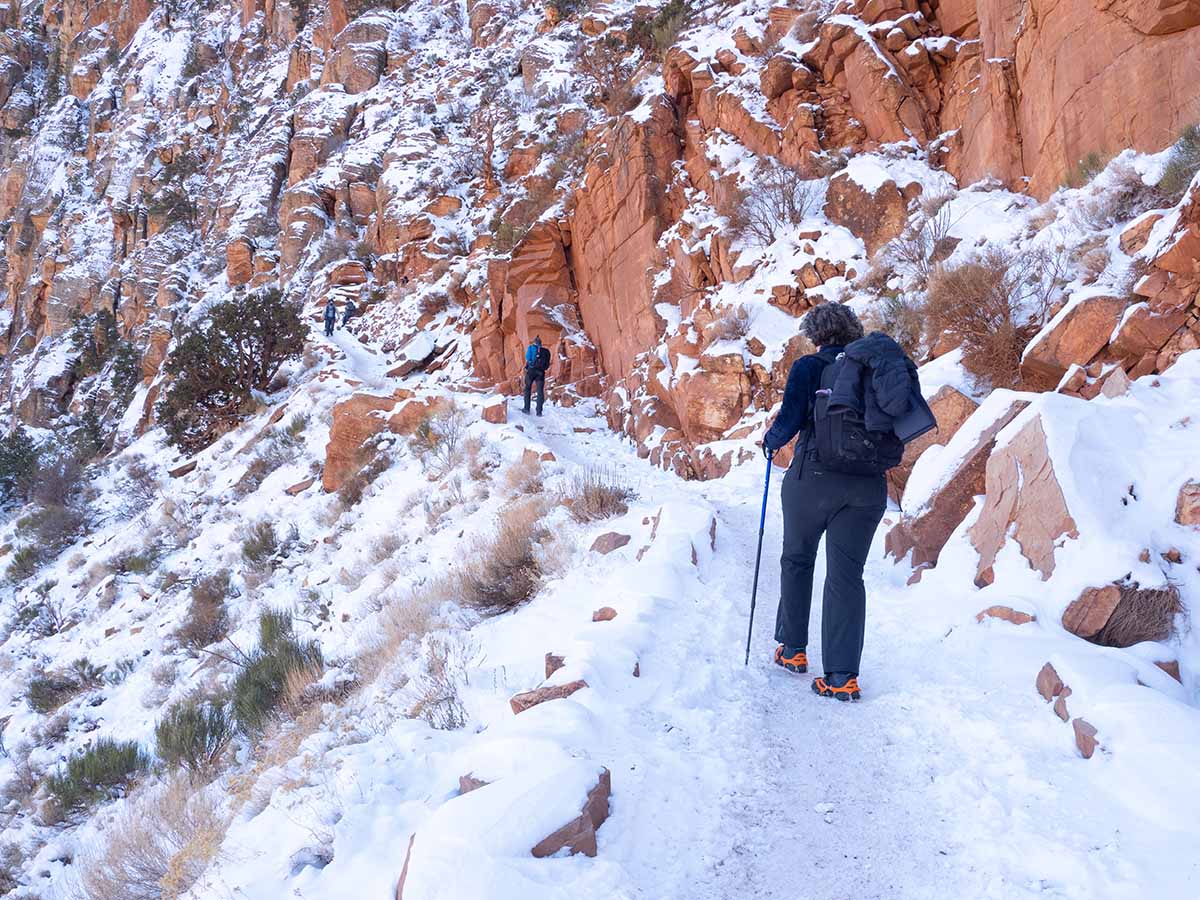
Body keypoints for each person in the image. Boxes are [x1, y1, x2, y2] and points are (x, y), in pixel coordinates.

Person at [760, 304, 883, 703]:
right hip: (867, 485)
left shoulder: (809, 367)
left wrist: (771, 441)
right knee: (847, 577)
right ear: (853, 331)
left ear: (815, 335)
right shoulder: (875, 367)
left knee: (797, 559)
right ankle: (842, 678)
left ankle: (793, 650)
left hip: (811, 479)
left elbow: (791, 419)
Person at [522, 335, 551, 416]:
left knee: (527, 389)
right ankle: (539, 412)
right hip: (541, 373)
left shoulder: (531, 348)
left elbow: (528, 358)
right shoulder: (546, 351)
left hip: (531, 371)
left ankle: (526, 409)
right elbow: (547, 363)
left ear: (534, 342)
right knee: (540, 391)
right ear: (541, 343)